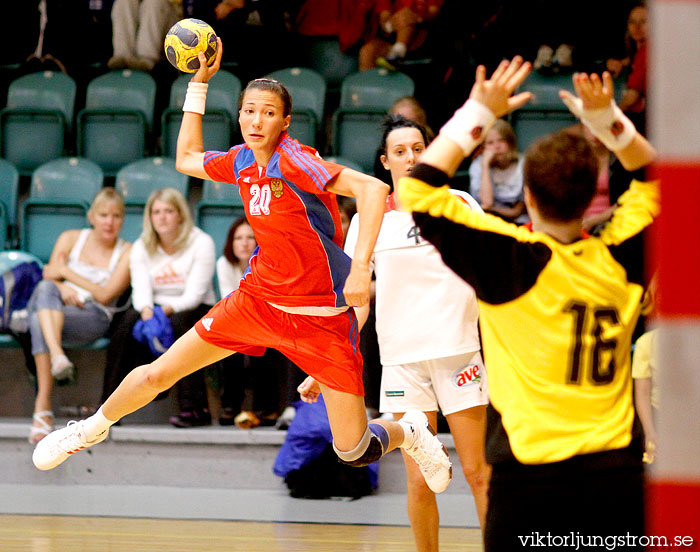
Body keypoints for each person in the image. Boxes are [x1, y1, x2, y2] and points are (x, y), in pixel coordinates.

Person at [34, 40, 452, 499]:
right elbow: (186, 159)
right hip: (257, 302)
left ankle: (408, 429)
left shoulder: (293, 160)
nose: (257, 120)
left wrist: (359, 271)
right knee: (159, 372)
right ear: (240, 117)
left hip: (322, 316)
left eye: (268, 113)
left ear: (285, 121)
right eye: (249, 111)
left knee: (352, 450)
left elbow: (372, 189)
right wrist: (198, 85)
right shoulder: (240, 162)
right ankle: (89, 429)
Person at [397, 58, 658, 550]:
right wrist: (609, 123)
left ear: (529, 197)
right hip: (616, 476)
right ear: (592, 197)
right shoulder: (620, 260)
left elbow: (418, 188)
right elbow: (661, 181)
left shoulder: (509, 259)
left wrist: (480, 109)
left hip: (529, 480)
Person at [343, 114, 490, 550]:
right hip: (402, 364)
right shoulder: (368, 219)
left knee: (478, 473)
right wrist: (329, 360)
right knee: (420, 481)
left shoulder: (460, 204)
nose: (410, 157)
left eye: (418, 149)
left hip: (459, 354)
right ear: (385, 162)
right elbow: (358, 297)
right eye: (401, 151)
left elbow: (488, 273)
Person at [100, 187, 217, 428]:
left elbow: (194, 295)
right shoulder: (142, 245)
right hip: (152, 306)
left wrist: (162, 312)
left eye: (169, 211)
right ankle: (108, 410)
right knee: (123, 326)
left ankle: (194, 409)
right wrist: (145, 311)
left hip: (193, 306)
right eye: (156, 212)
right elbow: (140, 289)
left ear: (180, 216)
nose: (162, 217)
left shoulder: (201, 242)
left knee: (184, 326)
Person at [25, 188, 131, 444]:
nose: (109, 222)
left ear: (122, 220)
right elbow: (50, 275)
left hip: (94, 316)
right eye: (103, 215)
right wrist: (64, 287)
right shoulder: (71, 238)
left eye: (116, 216)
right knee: (45, 295)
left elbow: (105, 295)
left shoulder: (128, 251)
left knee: (40, 315)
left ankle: (44, 407)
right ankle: (57, 357)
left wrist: (67, 275)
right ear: (92, 217)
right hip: (58, 308)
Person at [215, 216, 279, 428]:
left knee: (264, 344)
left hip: (267, 319)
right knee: (227, 342)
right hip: (237, 319)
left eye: (250, 237)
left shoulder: (267, 263)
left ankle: (266, 408)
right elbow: (228, 299)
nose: (244, 243)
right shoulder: (224, 264)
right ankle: (230, 406)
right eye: (238, 238)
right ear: (230, 243)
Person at [468, 118, 528, 224]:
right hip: (485, 222)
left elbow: (517, 211)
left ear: (510, 142)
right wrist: (485, 166)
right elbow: (487, 202)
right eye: (490, 143)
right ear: (483, 147)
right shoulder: (478, 166)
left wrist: (492, 210)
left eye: (501, 140)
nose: (497, 147)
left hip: (518, 222)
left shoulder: (524, 165)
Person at [108, 0, 181, 71]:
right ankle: (122, 55)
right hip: (140, 14)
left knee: (153, 3)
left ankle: (146, 58)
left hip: (172, 20)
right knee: (123, 2)